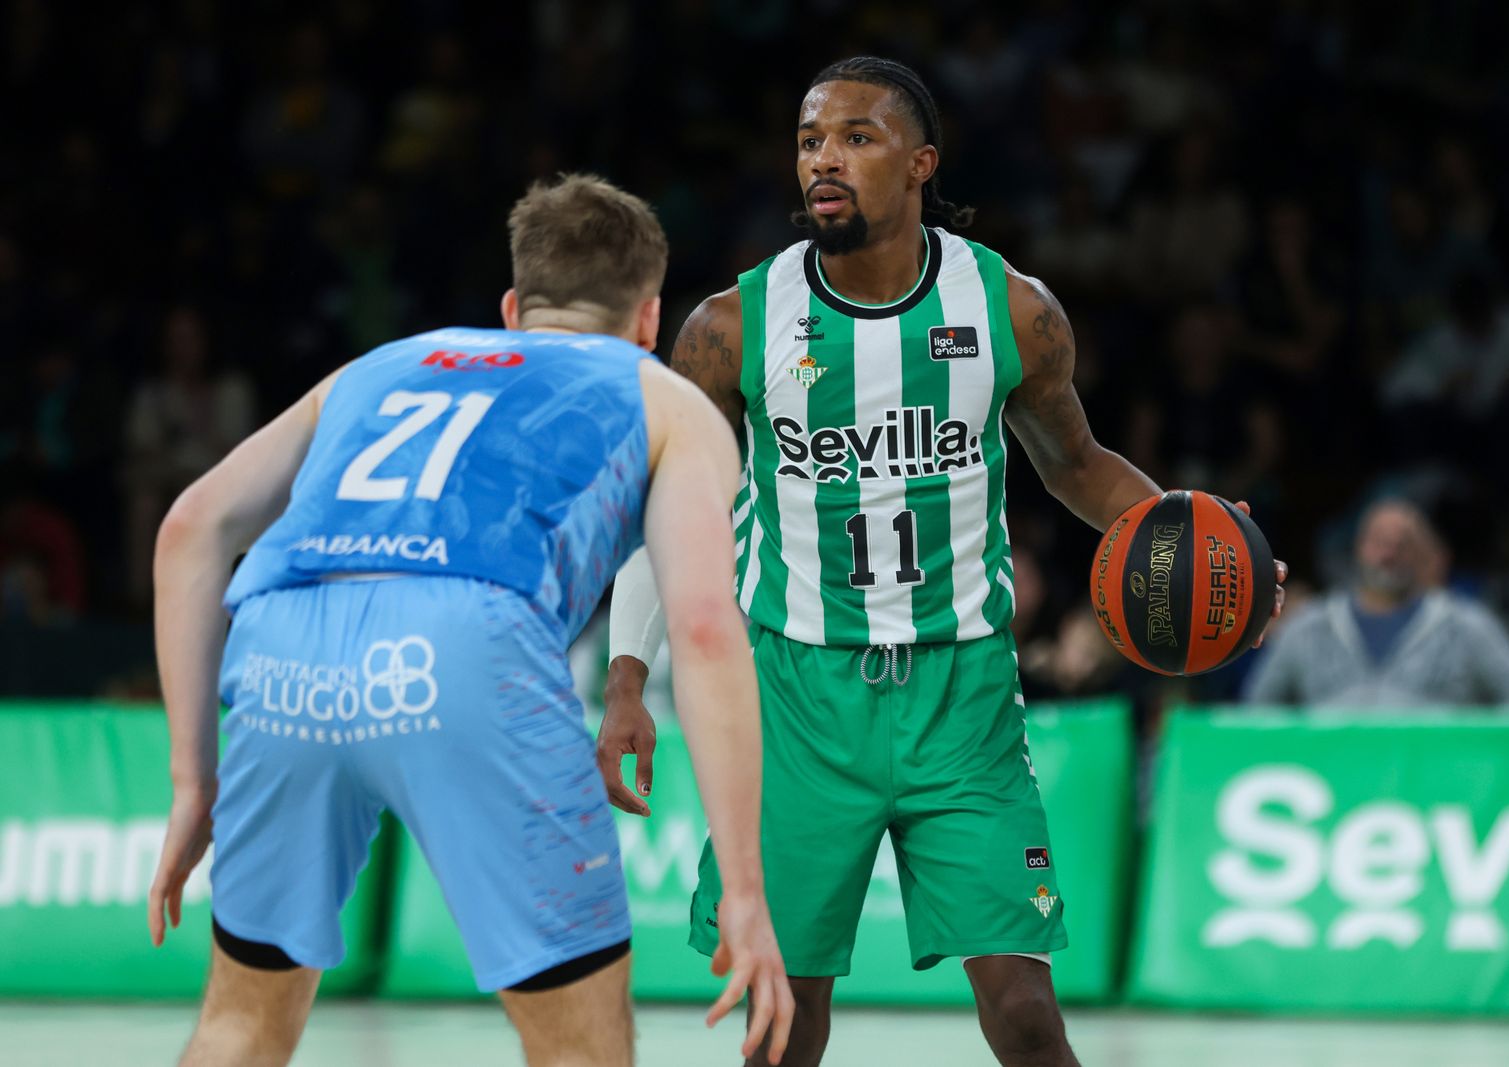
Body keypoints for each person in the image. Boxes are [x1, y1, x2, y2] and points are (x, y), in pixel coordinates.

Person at [600, 58, 1285, 1067]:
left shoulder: (1010, 308)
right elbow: (671, 511)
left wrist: (1209, 544)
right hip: (797, 700)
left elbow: (1077, 465)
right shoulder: (731, 326)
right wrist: (625, 679)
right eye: (810, 140)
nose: (824, 159)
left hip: (964, 695)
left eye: (856, 138)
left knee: (1025, 1013)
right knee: (785, 1021)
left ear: (921, 163)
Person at [145, 175, 793, 1067]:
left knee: (239, 1025)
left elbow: (189, 528)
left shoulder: (377, 367)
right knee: (579, 1051)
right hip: (465, 644)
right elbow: (708, 627)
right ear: (648, 319)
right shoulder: (665, 397)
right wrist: (745, 890)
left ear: (513, 308)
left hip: (284, 648)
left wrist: (193, 782)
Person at [1243, 498, 1509, 708]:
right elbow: (1257, 708)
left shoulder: (1465, 624)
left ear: (1421, 554)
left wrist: (1479, 757)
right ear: (1359, 548)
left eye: (1403, 544)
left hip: (1436, 777)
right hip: (1332, 774)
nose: (1389, 553)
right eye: (1379, 541)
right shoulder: (1310, 625)